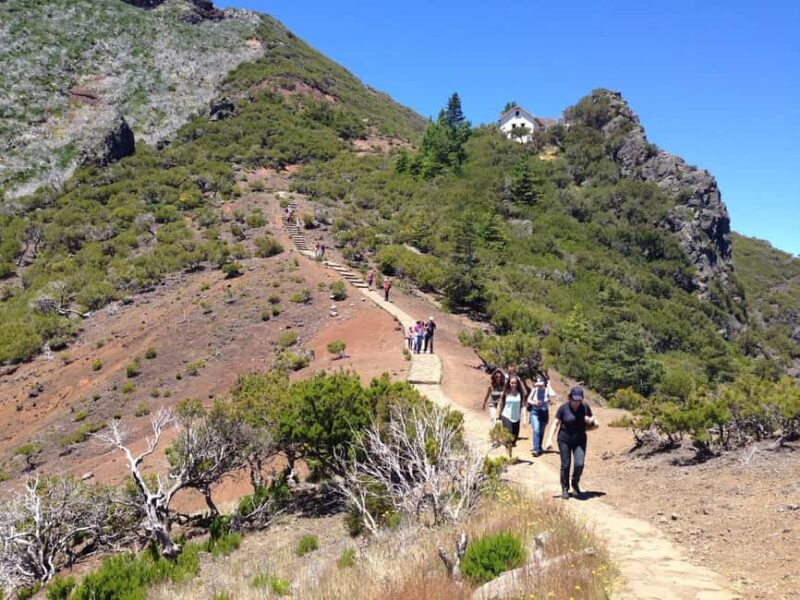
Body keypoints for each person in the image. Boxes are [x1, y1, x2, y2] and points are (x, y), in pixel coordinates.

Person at [545, 386, 597, 499]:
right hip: (564, 439)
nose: (576, 402)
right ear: (570, 398)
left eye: (579, 400)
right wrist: (549, 439)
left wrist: (590, 420)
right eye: (574, 399)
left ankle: (575, 483)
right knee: (565, 464)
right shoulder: (563, 408)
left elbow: (593, 419)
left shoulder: (584, 407)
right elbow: (555, 423)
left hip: (580, 440)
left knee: (579, 464)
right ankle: (564, 488)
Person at [527, 375, 555, 457]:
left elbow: (553, 395)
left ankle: (539, 447)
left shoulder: (547, 390)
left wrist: (549, 384)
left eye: (541, 384)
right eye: (538, 384)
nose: (539, 385)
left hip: (544, 413)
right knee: (536, 430)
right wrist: (534, 403)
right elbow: (529, 399)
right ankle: (535, 449)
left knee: (541, 431)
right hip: (535, 412)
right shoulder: (534, 390)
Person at [497, 376, 524, 447]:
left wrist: (525, 418)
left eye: (515, 383)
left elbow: (523, 406)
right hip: (506, 416)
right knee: (509, 437)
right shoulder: (505, 393)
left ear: (517, 384)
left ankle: (509, 452)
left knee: (514, 439)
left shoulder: (520, 394)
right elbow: (500, 404)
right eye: (512, 383)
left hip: (516, 418)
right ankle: (508, 455)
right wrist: (497, 417)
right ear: (509, 383)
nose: (513, 385)